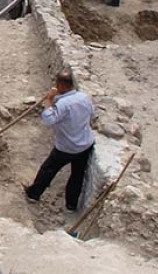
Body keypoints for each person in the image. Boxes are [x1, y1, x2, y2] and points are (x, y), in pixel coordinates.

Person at [23, 71, 95, 212]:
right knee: (77, 176)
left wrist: (49, 100)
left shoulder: (63, 104)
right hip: (85, 145)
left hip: (66, 147)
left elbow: (48, 120)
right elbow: (92, 114)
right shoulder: (84, 97)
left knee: (48, 170)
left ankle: (33, 194)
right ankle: (71, 205)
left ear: (61, 85)